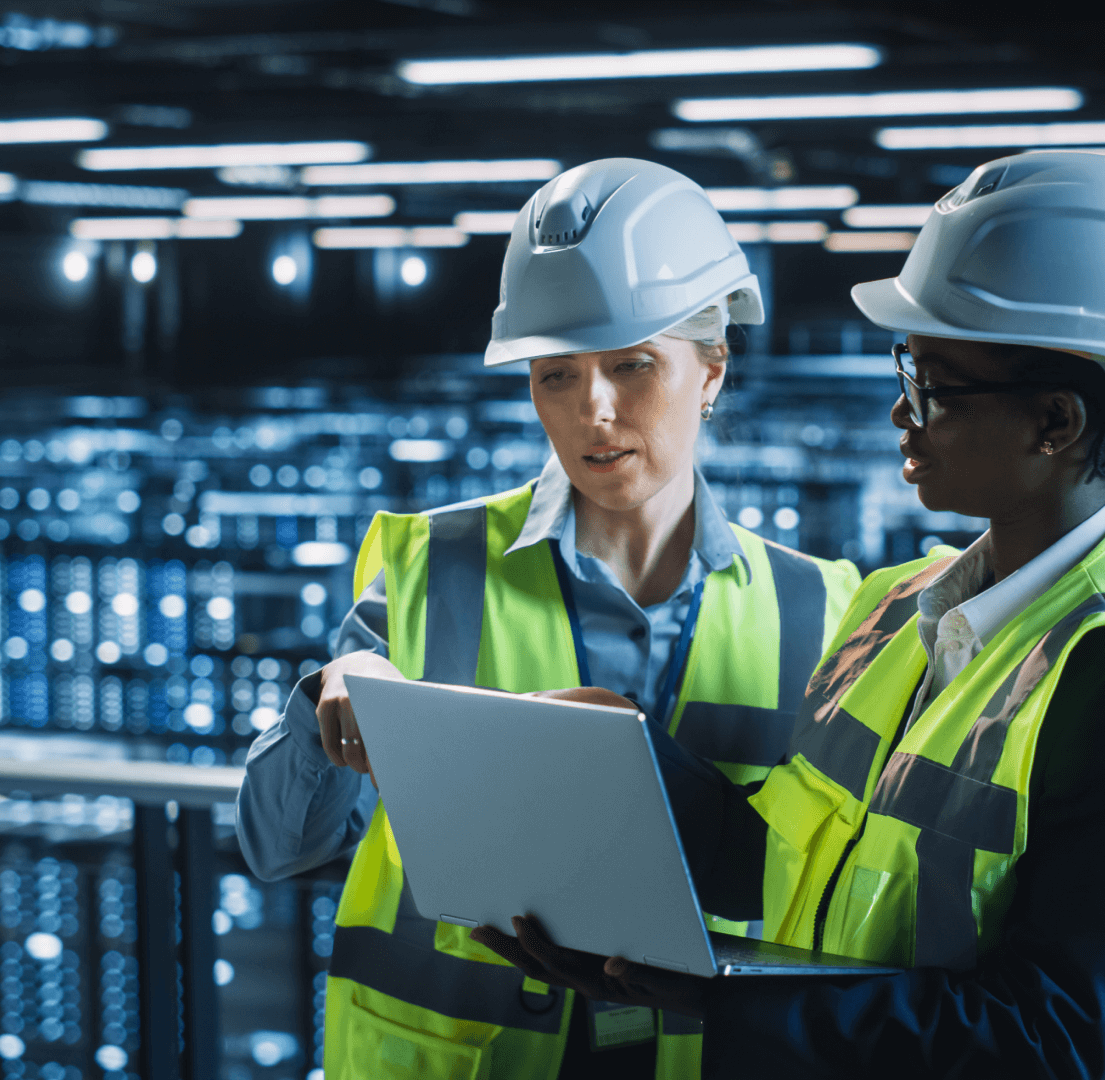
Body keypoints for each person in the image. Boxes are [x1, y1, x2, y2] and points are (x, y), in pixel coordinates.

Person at [472, 151, 1105, 1079]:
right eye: (907, 369)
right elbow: (788, 860)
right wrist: (632, 757)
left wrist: (712, 1000)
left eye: (935, 383)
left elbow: (1045, 1036)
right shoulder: (895, 610)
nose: (901, 410)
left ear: (1056, 422)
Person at [234, 157, 862, 1080]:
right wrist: (328, 700)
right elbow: (278, 845)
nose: (592, 413)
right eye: (556, 375)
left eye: (631, 365)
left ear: (712, 371)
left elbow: (839, 897)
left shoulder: (825, 610)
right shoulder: (430, 569)